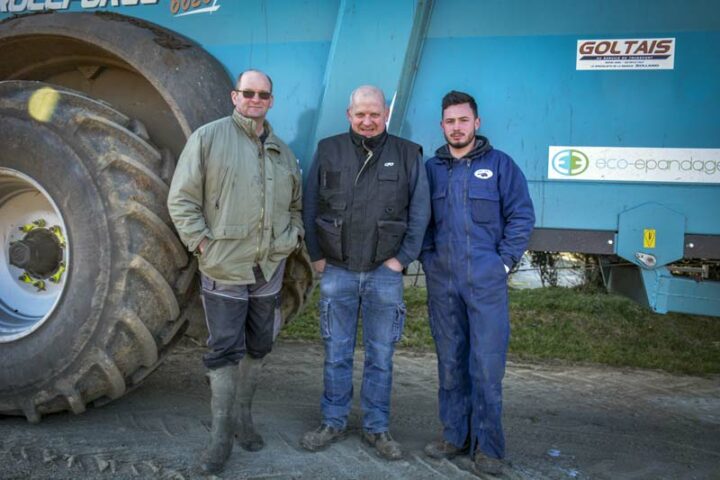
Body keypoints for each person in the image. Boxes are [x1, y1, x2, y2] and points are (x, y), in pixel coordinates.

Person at [167, 69, 303, 474]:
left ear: (271, 101)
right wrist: (203, 243)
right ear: (234, 96)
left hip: (269, 268)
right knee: (225, 350)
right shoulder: (208, 138)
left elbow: (295, 205)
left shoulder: (283, 150)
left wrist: (291, 236)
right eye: (249, 93)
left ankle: (244, 420)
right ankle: (220, 438)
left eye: (263, 94)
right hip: (224, 265)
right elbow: (181, 199)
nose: (255, 99)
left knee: (259, 345)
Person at [300, 85, 430, 460]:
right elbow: (309, 204)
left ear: (386, 112)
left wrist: (401, 259)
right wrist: (316, 254)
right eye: (361, 114)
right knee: (336, 353)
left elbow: (420, 212)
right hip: (337, 270)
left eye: (375, 114)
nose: (368, 121)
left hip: (384, 273)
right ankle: (333, 421)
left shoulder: (407, 154)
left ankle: (377, 427)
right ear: (349, 115)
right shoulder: (329, 149)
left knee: (380, 356)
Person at [420, 91, 534, 476]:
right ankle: (454, 436)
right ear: (442, 125)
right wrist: (429, 258)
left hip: (486, 282)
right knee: (450, 363)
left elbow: (521, 216)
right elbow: (419, 221)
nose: (457, 127)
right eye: (450, 121)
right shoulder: (430, 169)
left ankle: (489, 448)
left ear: (476, 123)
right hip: (443, 281)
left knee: (486, 367)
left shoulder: (501, 166)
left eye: (463, 120)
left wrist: (502, 264)